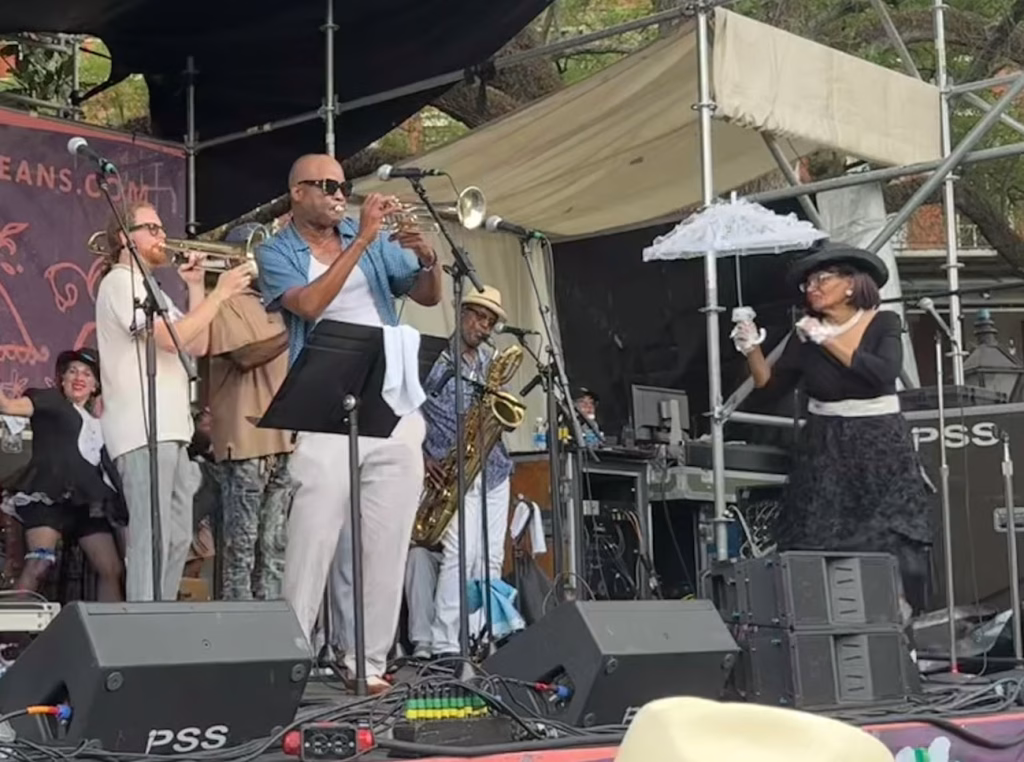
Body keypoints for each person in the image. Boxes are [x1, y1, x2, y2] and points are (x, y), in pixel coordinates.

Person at [257, 153, 442, 692]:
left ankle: (368, 661)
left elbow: (427, 296)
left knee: (385, 541)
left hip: (389, 395)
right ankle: (291, 658)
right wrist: (361, 238)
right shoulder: (277, 251)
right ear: (297, 192)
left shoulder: (373, 240)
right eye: (327, 186)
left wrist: (429, 260)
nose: (340, 195)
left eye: (343, 185)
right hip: (322, 400)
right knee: (313, 535)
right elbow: (310, 306)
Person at [733, 243, 931, 613]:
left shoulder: (882, 322)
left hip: (878, 440)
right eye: (807, 282)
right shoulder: (805, 333)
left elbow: (882, 374)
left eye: (822, 279)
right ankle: (822, 616)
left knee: (886, 533)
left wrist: (828, 340)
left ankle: (898, 616)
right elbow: (769, 385)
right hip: (824, 441)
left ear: (852, 285)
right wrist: (751, 348)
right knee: (816, 532)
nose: (812, 287)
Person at [94, 200, 253, 601]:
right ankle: (144, 628)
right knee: (152, 534)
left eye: (162, 227)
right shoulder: (119, 281)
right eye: (151, 228)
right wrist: (222, 295)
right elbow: (166, 338)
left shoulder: (153, 289)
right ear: (124, 238)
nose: (162, 235)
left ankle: (159, 617)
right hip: (142, 429)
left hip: (171, 430)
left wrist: (199, 287)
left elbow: (193, 341)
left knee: (179, 534)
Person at [405, 285, 514, 658]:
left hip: (495, 467)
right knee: (459, 554)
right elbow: (405, 409)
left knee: (491, 558)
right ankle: (445, 641)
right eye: (478, 316)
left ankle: (482, 633)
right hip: (453, 466)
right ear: (462, 312)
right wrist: (420, 454)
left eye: (490, 321)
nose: (483, 326)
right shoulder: (432, 358)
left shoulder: (490, 362)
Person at [0, 348, 124, 601]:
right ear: (63, 379)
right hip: (50, 495)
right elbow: (9, 406)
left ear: (95, 386)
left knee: (111, 568)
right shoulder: (49, 400)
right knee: (40, 563)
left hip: (86, 504)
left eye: (87, 374)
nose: (79, 377)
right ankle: (7, 633)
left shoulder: (101, 425)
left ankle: (108, 635)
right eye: (73, 371)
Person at [207, 240, 294, 600]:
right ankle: (238, 634)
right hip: (244, 440)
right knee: (241, 548)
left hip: (285, 440)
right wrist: (295, 330)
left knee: (275, 548)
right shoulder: (223, 301)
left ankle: (270, 631)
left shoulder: (278, 306)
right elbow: (242, 357)